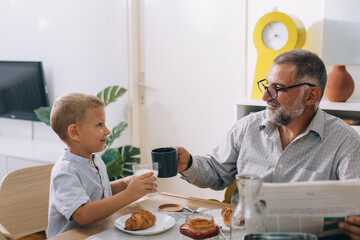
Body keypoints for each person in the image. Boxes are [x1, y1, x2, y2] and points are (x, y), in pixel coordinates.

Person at [176, 49, 360, 240]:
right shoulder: (248, 126)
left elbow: (356, 204)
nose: (265, 96)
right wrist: (188, 163)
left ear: (311, 96)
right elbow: (215, 172)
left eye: (277, 88)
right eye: (266, 85)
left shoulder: (347, 142)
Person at [47, 93, 157, 237]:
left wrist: (124, 183)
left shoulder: (96, 161)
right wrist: (129, 194)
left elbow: (95, 192)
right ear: (75, 132)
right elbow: (83, 214)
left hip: (98, 232)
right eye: (100, 124)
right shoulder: (65, 171)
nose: (107, 131)